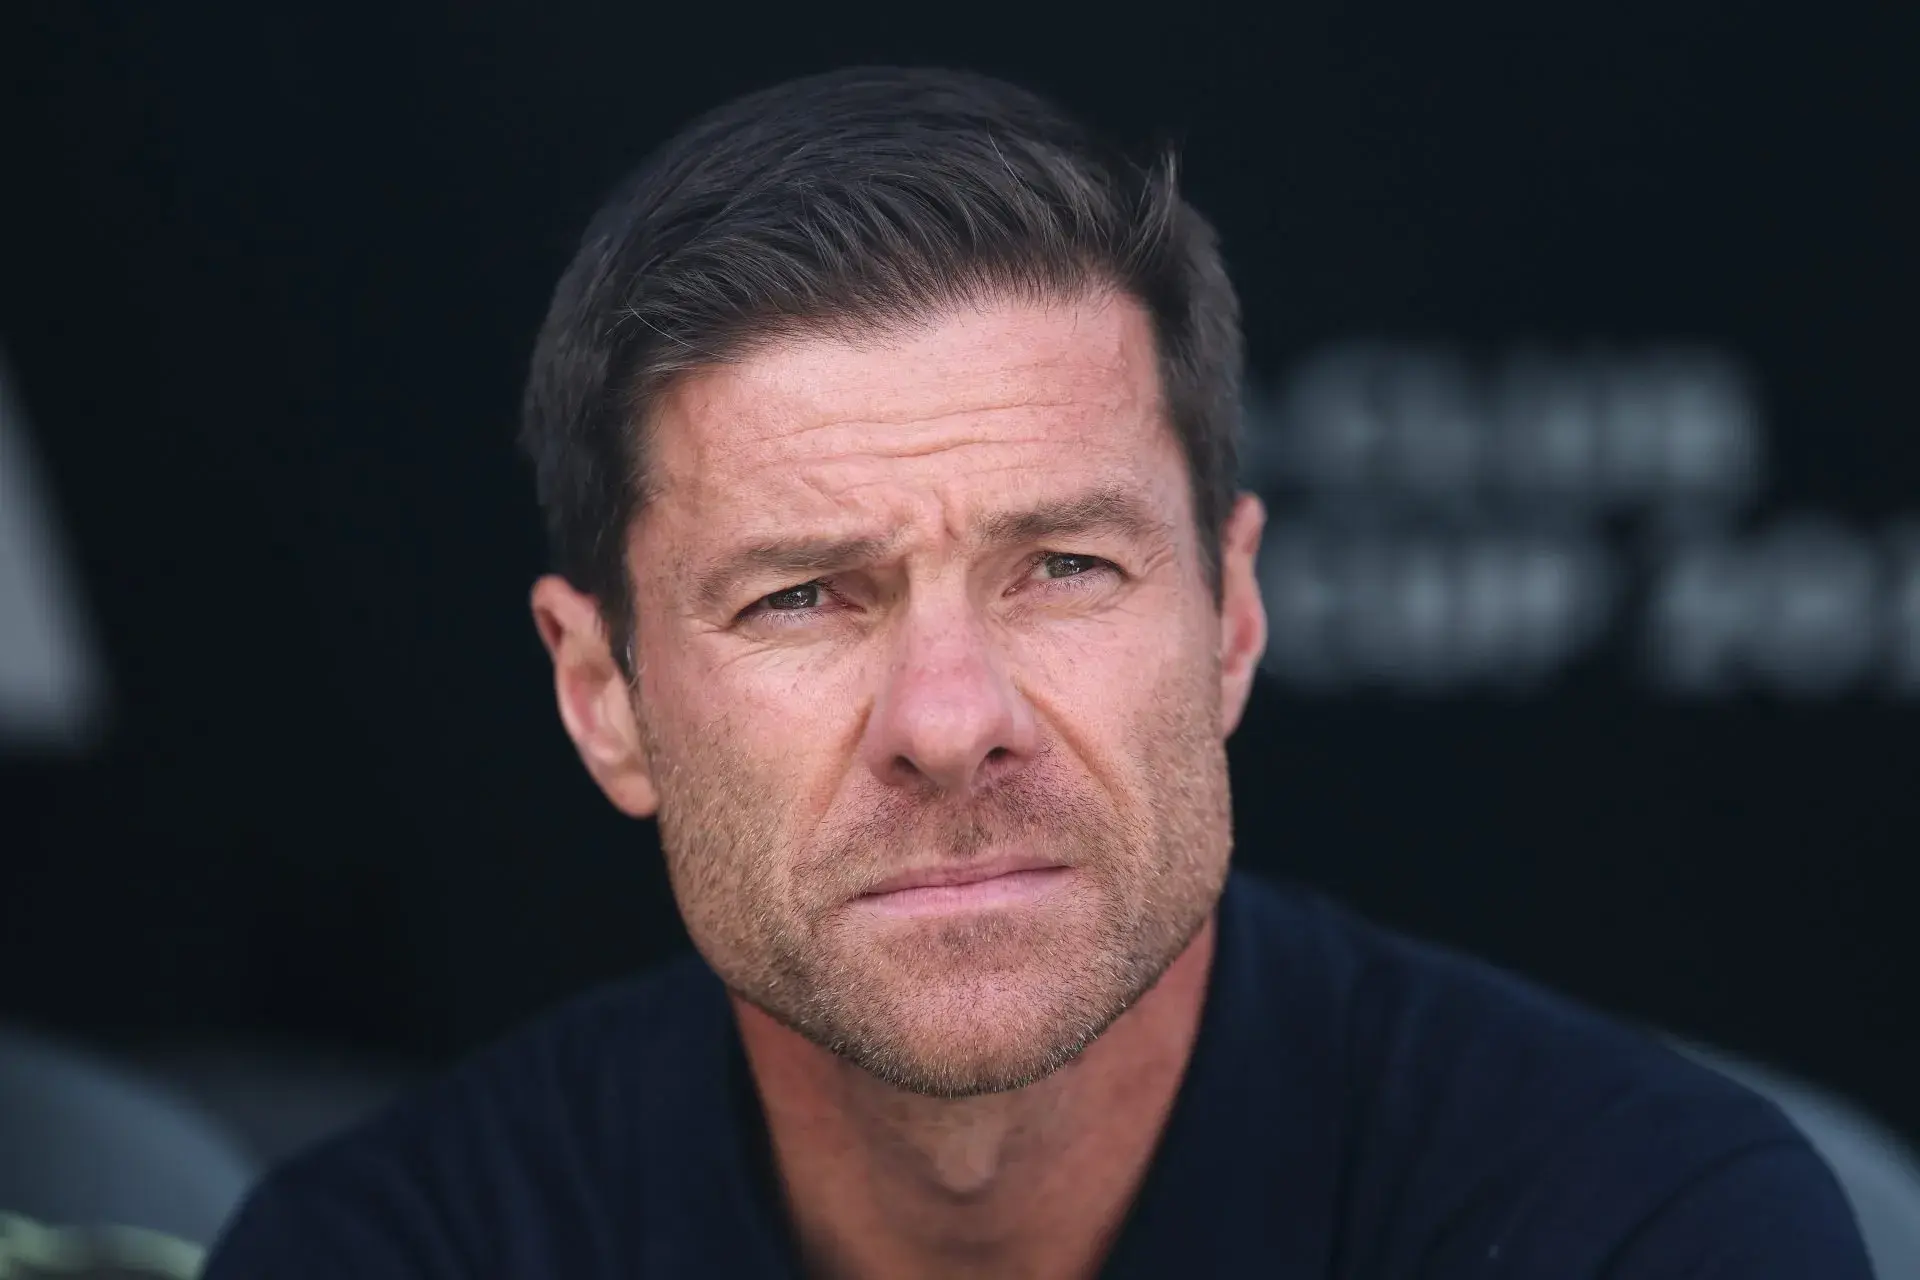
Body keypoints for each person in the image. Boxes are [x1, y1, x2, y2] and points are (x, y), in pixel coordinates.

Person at [202, 67, 1871, 1278]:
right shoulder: (388, 1252)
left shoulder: (1639, 1227)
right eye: (802, 597)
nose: (951, 722)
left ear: (1231, 619)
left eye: (1064, 567)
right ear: (603, 697)